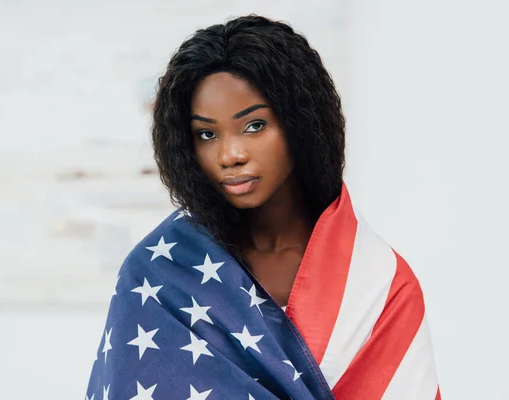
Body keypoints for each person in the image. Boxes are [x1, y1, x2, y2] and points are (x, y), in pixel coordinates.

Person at [86, 15, 440, 399]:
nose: (230, 154)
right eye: (207, 134)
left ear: (301, 123)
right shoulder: (157, 275)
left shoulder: (379, 284)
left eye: (254, 126)